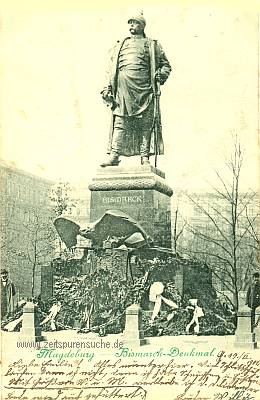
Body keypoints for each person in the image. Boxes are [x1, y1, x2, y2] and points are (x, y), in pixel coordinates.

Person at [100, 14, 171, 167]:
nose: (131, 25)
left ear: (142, 26)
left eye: (135, 23)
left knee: (145, 124)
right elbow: (110, 69)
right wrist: (107, 87)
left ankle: (144, 157)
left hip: (145, 90)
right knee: (120, 122)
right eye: (130, 23)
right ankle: (114, 155)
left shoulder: (152, 45)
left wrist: (161, 74)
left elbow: (166, 66)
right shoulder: (120, 45)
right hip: (123, 90)